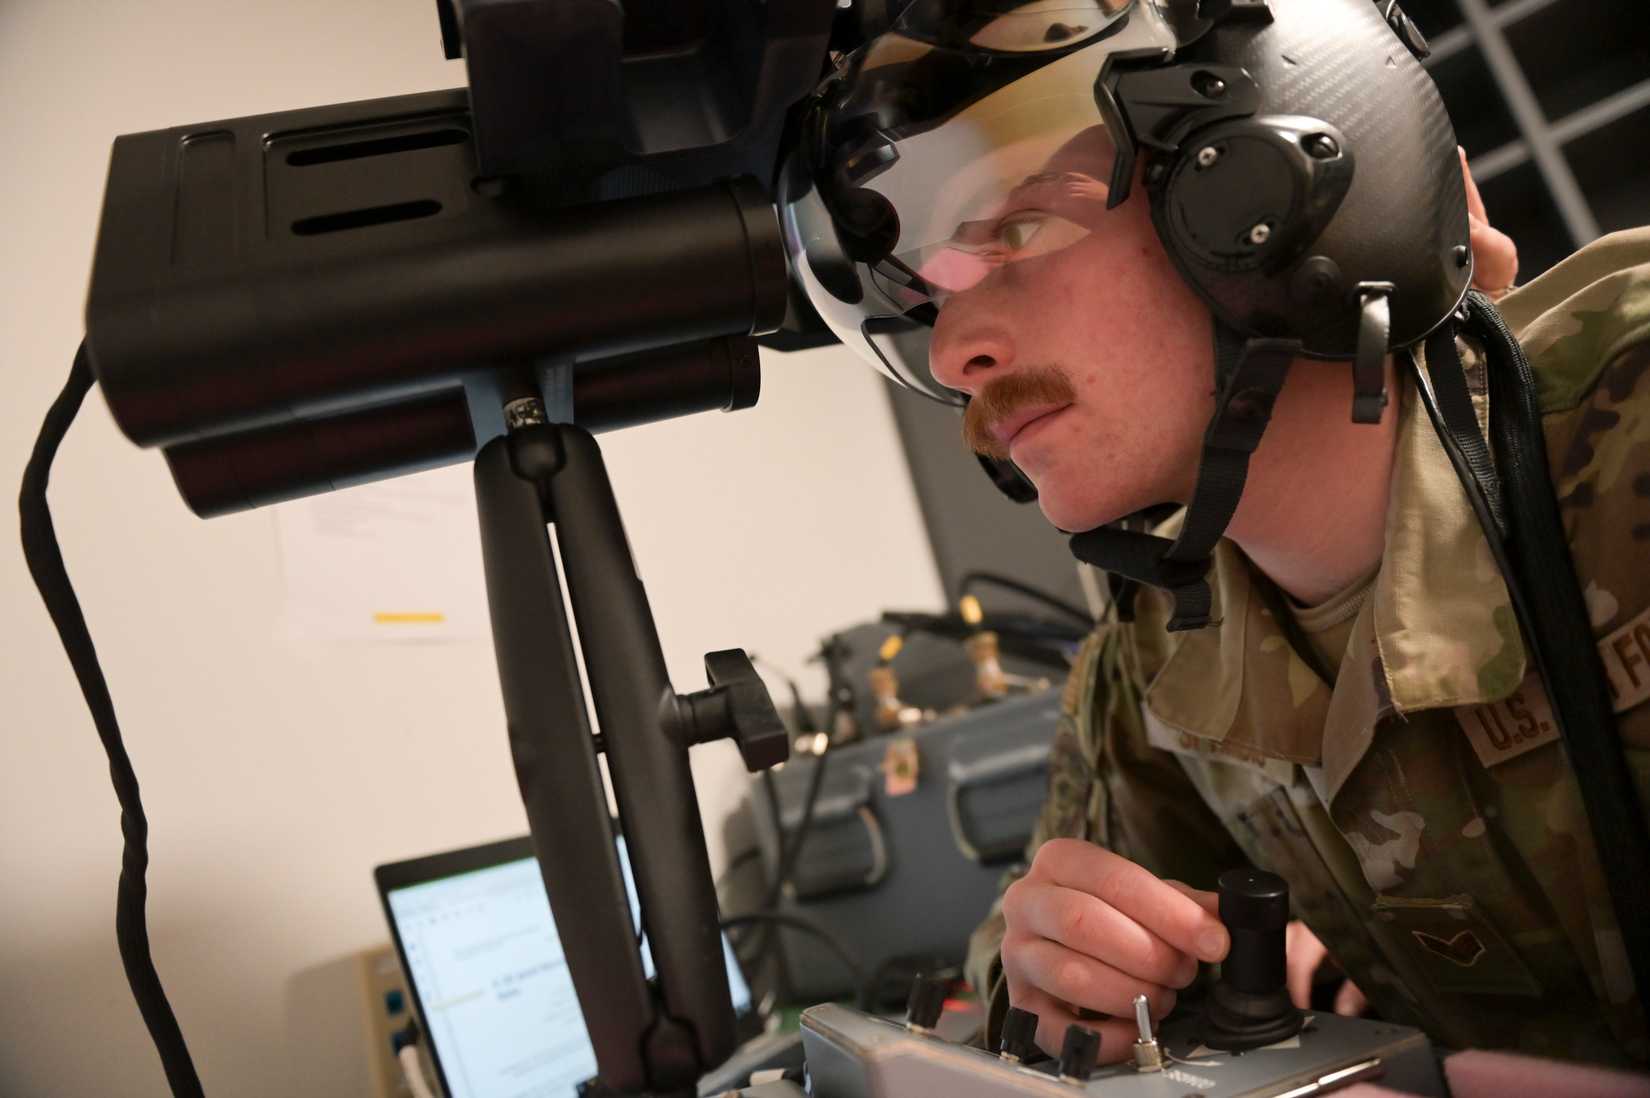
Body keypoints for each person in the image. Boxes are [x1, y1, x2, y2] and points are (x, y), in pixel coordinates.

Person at [780, 0, 1650, 1073]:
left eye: (1017, 222)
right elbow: (1024, 997)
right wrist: (1059, 980)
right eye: (928, 289)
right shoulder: (1156, 661)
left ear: (1287, 183)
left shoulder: (1633, 430)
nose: (954, 346)